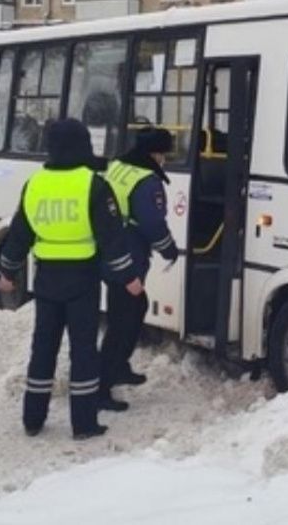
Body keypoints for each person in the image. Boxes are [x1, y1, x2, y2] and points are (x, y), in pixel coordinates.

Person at [0, 118, 143, 440]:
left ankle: (33, 419)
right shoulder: (92, 184)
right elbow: (112, 239)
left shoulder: (34, 184)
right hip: (82, 281)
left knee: (43, 349)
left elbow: (20, 235)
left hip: (46, 279)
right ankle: (84, 424)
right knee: (83, 352)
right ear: (83, 146)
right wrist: (129, 278)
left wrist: (7, 272)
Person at [98, 127, 179, 411]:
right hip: (127, 257)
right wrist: (170, 249)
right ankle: (101, 387)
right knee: (122, 320)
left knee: (133, 309)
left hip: (111, 252)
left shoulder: (119, 166)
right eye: (164, 154)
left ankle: (118, 367)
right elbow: (152, 224)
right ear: (154, 154)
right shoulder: (146, 181)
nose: (165, 160)